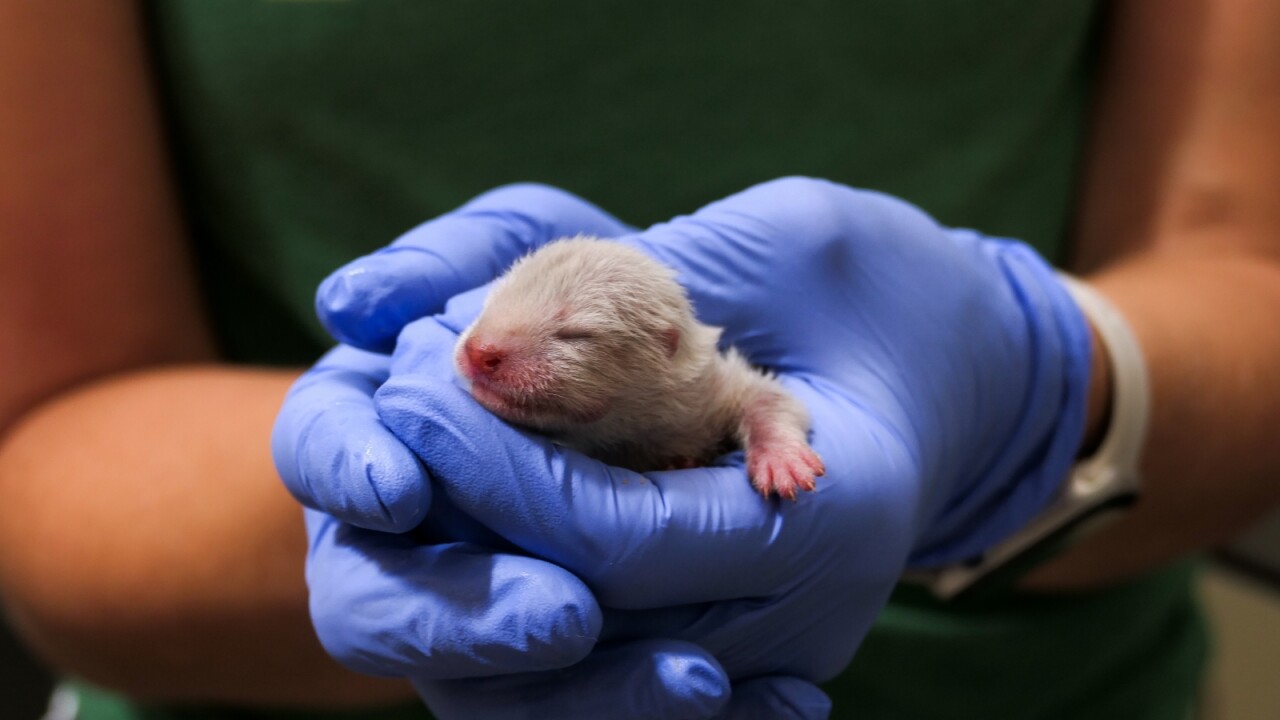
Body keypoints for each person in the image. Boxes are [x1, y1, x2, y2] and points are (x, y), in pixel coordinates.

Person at [0, 1, 1277, 719]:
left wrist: (1049, 385)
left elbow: (1242, 267)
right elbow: (38, 437)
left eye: (557, 341)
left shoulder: (701, 371)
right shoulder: (488, 354)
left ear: (663, 345)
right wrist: (411, 527)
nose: (492, 355)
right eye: (495, 326)